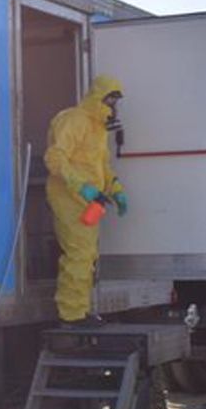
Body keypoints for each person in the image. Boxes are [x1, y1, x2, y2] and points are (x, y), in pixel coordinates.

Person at [44, 75, 129, 327]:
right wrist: (83, 187)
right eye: (110, 98)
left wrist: (116, 191)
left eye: (116, 99)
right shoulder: (74, 119)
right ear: (98, 96)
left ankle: (79, 311)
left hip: (88, 202)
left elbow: (102, 168)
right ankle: (71, 316)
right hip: (69, 198)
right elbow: (55, 158)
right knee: (79, 255)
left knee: (86, 256)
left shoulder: (98, 129)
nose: (113, 104)